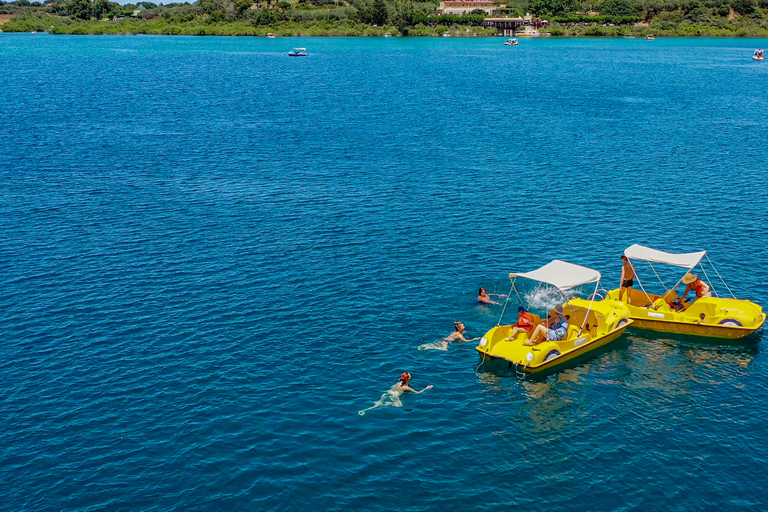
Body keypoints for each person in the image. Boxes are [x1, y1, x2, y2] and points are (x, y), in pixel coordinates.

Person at [358, 372, 433, 416]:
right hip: (394, 395)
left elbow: (392, 387)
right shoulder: (406, 388)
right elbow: (417, 392)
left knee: (377, 404)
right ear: (408, 379)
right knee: (399, 405)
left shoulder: (398, 383)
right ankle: (387, 404)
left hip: (388, 392)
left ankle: (365, 410)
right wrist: (427, 388)